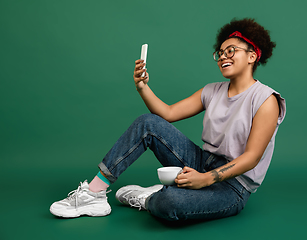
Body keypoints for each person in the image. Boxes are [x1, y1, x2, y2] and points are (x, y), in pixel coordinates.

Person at [50, 18, 286, 221]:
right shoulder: (212, 90)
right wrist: (142, 87)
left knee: (170, 203)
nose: (223, 56)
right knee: (148, 123)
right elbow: (167, 114)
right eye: (220, 52)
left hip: (233, 187)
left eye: (231, 50)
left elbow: (252, 157)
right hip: (200, 162)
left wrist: (205, 180)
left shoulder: (266, 100)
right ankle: (94, 194)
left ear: (252, 56)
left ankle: (151, 197)